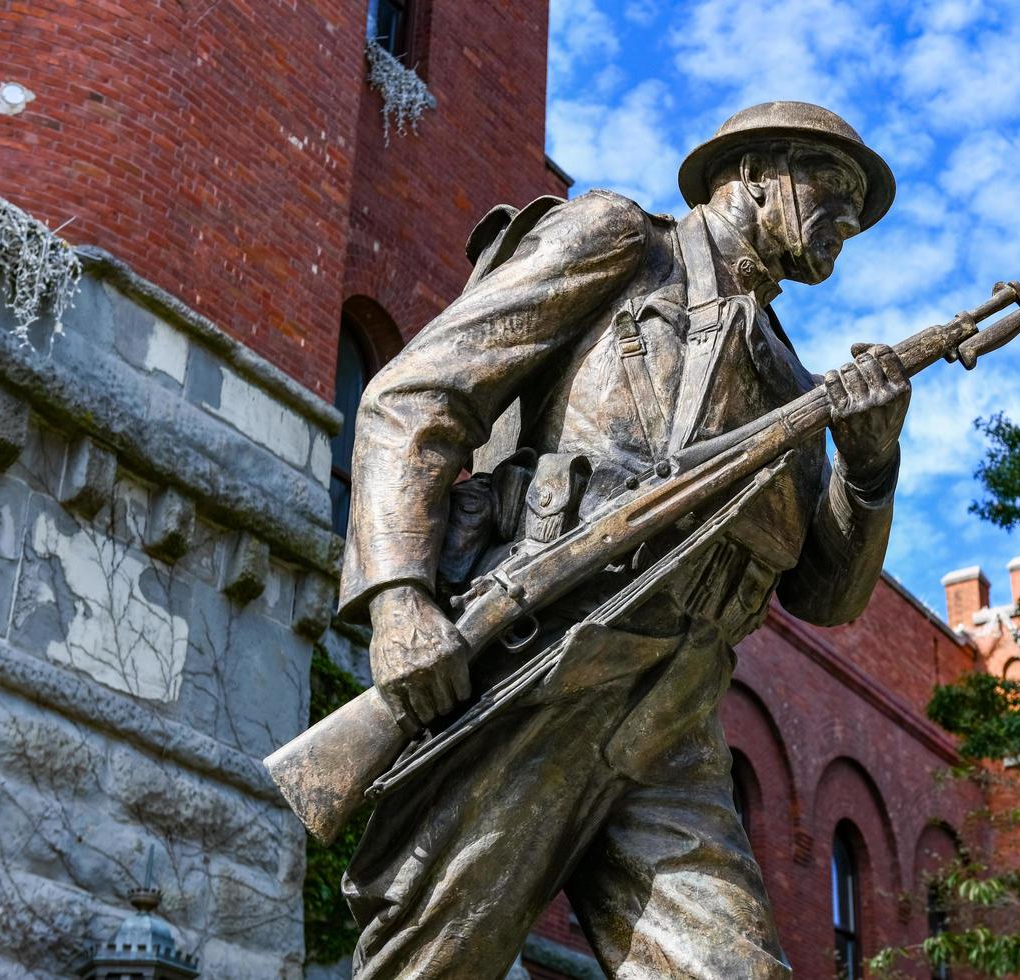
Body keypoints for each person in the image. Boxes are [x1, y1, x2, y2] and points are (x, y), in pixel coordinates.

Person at [337, 101, 909, 979]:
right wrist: (401, 601)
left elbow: (823, 597)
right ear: (754, 173)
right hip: (541, 663)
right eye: (832, 189)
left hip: (673, 717)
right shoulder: (622, 242)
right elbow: (416, 399)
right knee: (434, 964)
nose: (849, 221)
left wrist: (867, 470)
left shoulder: (795, 384)